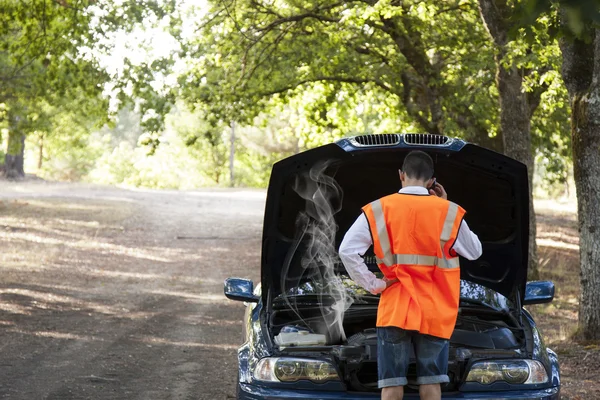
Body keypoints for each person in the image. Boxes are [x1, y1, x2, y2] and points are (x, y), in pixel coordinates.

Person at [338, 150, 482, 400]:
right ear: (431, 181)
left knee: (391, 385)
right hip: (435, 310)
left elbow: (346, 251)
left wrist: (374, 284)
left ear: (401, 175)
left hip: (395, 308)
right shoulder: (448, 211)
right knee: (431, 383)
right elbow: (474, 251)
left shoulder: (378, 209)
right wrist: (446, 203)